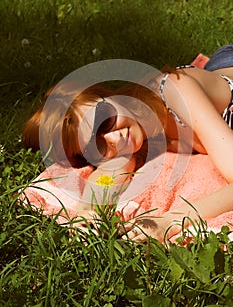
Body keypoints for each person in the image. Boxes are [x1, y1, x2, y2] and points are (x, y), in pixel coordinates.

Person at [22, 44, 233, 242]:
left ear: (108, 95)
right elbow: (111, 171)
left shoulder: (175, 91)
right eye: (95, 146)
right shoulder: (129, 134)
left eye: (104, 120)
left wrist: (169, 221)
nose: (114, 139)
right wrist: (86, 211)